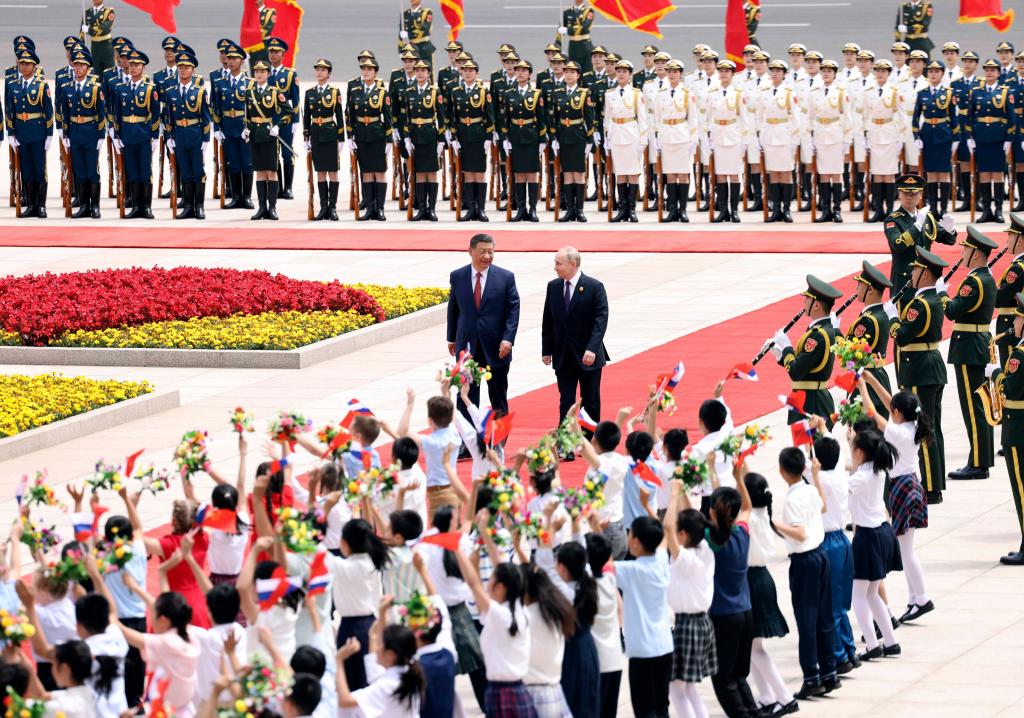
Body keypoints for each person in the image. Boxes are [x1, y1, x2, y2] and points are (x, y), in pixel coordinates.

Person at [859, 375, 935, 622]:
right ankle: (914, 599)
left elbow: (873, 413)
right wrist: (870, 379)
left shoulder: (898, 432)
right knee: (906, 548)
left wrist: (862, 387)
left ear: (898, 413)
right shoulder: (911, 424)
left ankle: (922, 597)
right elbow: (891, 402)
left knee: (907, 551)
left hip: (903, 487)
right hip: (911, 484)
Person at [772, 447, 839, 699]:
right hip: (820, 555)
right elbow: (822, 506)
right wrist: (816, 476)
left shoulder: (791, 500)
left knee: (807, 620)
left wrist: (773, 523)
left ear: (782, 472)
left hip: (805, 560)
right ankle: (829, 672)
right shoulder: (809, 488)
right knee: (824, 617)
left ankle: (811, 677)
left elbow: (799, 533)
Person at [456, 524, 537, 718]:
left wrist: (457, 549)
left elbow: (474, 584)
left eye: (491, 580)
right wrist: (485, 533)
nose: (487, 583)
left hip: (502, 692)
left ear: (501, 587)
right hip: (515, 690)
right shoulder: (518, 609)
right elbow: (500, 566)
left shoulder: (499, 615)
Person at [890, 246, 949, 505]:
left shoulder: (919, 304)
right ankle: (936, 484)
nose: (912, 273)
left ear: (925, 274)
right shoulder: (934, 299)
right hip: (932, 365)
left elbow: (902, 335)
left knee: (922, 428)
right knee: (933, 427)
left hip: (919, 368)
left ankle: (931, 487)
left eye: (915, 269)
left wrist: (892, 320)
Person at [940, 226, 998, 481]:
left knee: (973, 406)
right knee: (980, 403)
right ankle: (982, 458)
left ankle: (978, 463)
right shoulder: (986, 277)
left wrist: (941, 292)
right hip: (977, 343)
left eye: (966, 249)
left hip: (969, 346)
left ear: (975, 253)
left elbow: (952, 311)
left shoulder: (974, 282)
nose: (962, 253)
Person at [844, 429, 904, 661]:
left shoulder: (860, 478)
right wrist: (852, 442)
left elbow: (841, 491)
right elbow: (858, 469)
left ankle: (872, 644)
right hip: (882, 532)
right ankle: (890, 641)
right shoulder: (878, 471)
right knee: (872, 593)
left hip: (867, 536)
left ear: (860, 452)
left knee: (858, 595)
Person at [447, 233, 520, 418]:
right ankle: (468, 442)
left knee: (498, 396)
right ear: (470, 251)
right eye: (482, 252)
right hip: (467, 348)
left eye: (490, 252)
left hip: (497, 347)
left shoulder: (505, 277)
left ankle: (498, 443)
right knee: (466, 395)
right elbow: (454, 308)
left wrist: (508, 339)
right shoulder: (458, 276)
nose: (487, 256)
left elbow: (513, 311)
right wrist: (452, 338)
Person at [743, 473, 798, 715]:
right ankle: (766, 696)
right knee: (752, 645)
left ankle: (784, 698)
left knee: (754, 647)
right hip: (759, 578)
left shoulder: (750, 518)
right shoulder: (762, 513)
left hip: (754, 580)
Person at [664, 479, 718, 718]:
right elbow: (696, 519)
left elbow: (667, 526)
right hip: (702, 623)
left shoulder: (685, 559)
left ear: (683, 535)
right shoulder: (704, 549)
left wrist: (674, 495)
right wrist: (684, 493)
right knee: (688, 687)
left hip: (687, 625)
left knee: (675, 688)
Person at [541, 247, 610, 433]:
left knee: (590, 399)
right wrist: (546, 350)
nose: (555, 268)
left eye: (558, 264)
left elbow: (600, 321)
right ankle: (566, 440)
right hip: (563, 354)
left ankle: (590, 438)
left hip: (588, 355)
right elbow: (548, 319)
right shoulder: (553, 286)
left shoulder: (594, 286)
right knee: (566, 399)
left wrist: (592, 348)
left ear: (573, 264)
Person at [614, 515, 673, 718]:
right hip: (665, 647)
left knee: (645, 710)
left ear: (637, 542)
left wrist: (595, 527)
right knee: (662, 705)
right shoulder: (662, 562)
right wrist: (673, 498)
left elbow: (601, 563)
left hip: (643, 652)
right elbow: (666, 529)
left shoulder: (630, 570)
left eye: (630, 535)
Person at [812, 436, 860, 674]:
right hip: (843, 539)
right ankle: (849, 650)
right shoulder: (840, 472)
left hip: (827, 542)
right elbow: (837, 454)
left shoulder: (820, 480)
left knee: (829, 603)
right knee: (841, 602)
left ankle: (839, 656)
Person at [771, 275, 843, 428]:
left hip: (812, 403)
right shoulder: (821, 330)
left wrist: (787, 348)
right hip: (811, 399)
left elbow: (796, 371)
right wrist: (781, 355)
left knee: (814, 451)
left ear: (816, 305)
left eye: (807, 299)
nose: (804, 303)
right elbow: (805, 364)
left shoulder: (818, 335)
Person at [883, 173, 957, 310]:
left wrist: (950, 229)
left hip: (926, 280)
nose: (909, 197)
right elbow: (898, 244)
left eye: (914, 193)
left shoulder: (926, 217)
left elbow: (948, 240)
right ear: (899, 195)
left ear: (921, 195)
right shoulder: (893, 220)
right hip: (905, 282)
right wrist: (917, 225)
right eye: (905, 193)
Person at [987, 291, 1024, 565]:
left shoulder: (1019, 356)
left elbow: (1009, 387)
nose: (1015, 322)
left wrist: (997, 372)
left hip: (1017, 428)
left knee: (1021, 488)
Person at [162, 49, 211, 220]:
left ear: (193, 70)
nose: (183, 70)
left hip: (195, 135)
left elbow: (206, 118)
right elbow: (168, 117)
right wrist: (169, 137)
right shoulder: (171, 91)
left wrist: (205, 139)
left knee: (198, 172)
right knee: (185, 171)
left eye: (186, 67)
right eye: (180, 67)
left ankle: (199, 206)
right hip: (180, 136)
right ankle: (188, 206)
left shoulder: (199, 92)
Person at [112, 47, 159, 220]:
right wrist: (117, 135)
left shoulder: (150, 88)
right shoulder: (121, 88)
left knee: (145, 171)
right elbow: (116, 113)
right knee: (132, 171)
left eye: (136, 65)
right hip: (127, 134)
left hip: (143, 133)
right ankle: (136, 206)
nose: (133, 67)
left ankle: (146, 207)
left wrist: (154, 137)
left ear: (143, 68)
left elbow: (155, 115)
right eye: (131, 64)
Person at [7, 46, 53, 219]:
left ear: (34, 66)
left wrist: (49, 134)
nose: (24, 66)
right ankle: (31, 204)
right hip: (22, 133)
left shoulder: (41, 85)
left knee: (39, 170)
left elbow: (48, 111)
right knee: (26, 170)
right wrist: (11, 133)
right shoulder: (13, 86)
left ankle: (41, 205)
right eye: (22, 63)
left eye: (28, 64)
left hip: (38, 132)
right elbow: (10, 111)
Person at [61, 46, 106, 219]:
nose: (78, 68)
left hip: (90, 132)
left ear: (88, 68)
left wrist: (101, 136)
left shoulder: (95, 88)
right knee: (79, 171)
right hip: (75, 132)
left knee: (92, 171)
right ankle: (84, 205)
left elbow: (101, 113)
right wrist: (65, 134)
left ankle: (95, 206)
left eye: (82, 65)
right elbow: (64, 112)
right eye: (76, 65)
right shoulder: (67, 88)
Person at [807, 59, 853, 223]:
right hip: (820, 135)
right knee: (824, 175)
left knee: (836, 174)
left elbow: (848, 117)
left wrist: (847, 139)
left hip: (836, 135)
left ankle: (837, 210)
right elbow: (809, 117)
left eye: (829, 71)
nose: (826, 74)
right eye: (824, 71)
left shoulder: (841, 92)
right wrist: (810, 139)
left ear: (834, 74)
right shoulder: (814, 92)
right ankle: (825, 210)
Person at [448, 59, 494, 222]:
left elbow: (489, 116)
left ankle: (480, 209)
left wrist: (489, 137)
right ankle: (470, 207)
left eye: (471, 70)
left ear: (476, 73)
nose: (467, 73)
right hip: (463, 135)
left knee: (479, 173)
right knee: (467, 173)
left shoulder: (483, 92)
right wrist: (453, 137)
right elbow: (453, 115)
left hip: (478, 135)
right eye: (465, 70)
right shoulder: (456, 92)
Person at [346, 57, 392, 221]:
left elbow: (387, 117)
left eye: (369, 69)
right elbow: (349, 114)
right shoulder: (355, 91)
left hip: (377, 135)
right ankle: (370, 208)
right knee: (366, 172)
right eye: (364, 69)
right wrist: (350, 136)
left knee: (379, 172)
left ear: (375, 72)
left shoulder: (381, 93)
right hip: (361, 135)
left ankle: (379, 208)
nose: (366, 72)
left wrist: (389, 140)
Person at [848, 261, 896, 419]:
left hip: (867, 381)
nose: (857, 288)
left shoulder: (867, 320)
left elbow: (850, 353)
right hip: (879, 377)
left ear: (869, 289)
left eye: (860, 284)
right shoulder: (881, 314)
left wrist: (834, 331)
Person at [969, 59, 1014, 223]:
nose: (989, 72)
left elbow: (1011, 117)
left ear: (998, 73)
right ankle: (986, 210)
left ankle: (999, 210)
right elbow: (970, 116)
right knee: (984, 174)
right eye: (987, 70)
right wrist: (970, 137)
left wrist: (1009, 139)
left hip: (998, 138)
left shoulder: (1004, 92)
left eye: (993, 70)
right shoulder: (976, 92)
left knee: (998, 174)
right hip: (981, 138)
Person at [501, 58, 547, 222]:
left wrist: (542, 139)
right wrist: (505, 137)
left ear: (529, 74)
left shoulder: (536, 94)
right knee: (519, 174)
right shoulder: (509, 93)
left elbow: (541, 117)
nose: (520, 73)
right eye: (518, 70)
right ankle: (521, 208)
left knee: (532, 174)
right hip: (515, 136)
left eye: (523, 70)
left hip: (531, 136)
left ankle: (533, 208)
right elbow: (505, 117)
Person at [756, 59, 801, 223]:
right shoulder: (764, 91)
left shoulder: (789, 92)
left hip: (784, 136)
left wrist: (795, 141)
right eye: (772, 71)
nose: (775, 74)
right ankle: (776, 209)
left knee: (786, 173)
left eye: (778, 71)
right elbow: (759, 116)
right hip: (769, 135)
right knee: (773, 173)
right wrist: (760, 137)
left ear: (784, 74)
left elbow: (796, 118)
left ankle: (787, 210)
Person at [550, 61, 595, 223]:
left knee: (579, 174)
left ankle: (580, 210)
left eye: (572, 72)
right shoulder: (558, 93)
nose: (568, 75)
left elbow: (590, 118)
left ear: (578, 75)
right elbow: (554, 117)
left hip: (578, 136)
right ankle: (569, 210)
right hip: (563, 136)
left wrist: (589, 139)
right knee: (567, 174)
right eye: (566, 71)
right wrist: (554, 137)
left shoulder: (584, 93)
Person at [913, 60, 959, 216]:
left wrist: (956, 137)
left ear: (942, 74)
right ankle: (933, 207)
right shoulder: (922, 93)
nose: (933, 74)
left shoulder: (948, 93)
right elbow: (915, 116)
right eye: (931, 71)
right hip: (927, 135)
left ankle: (944, 208)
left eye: (936, 71)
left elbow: (954, 117)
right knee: (931, 172)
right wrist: (916, 136)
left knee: (944, 172)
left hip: (944, 134)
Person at [705, 60, 749, 223]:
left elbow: (744, 119)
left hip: (733, 135)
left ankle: (734, 210)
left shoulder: (738, 93)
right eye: (721, 71)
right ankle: (723, 210)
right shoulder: (712, 93)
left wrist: (744, 140)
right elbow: (708, 117)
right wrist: (709, 138)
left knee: (734, 174)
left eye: (727, 71)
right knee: (721, 175)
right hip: (718, 135)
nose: (723, 74)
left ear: (732, 74)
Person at [403, 59, 446, 221]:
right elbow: (405, 117)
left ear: (428, 73)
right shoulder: (409, 92)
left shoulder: (435, 92)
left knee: (432, 174)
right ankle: (421, 208)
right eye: (418, 70)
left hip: (430, 137)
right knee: (419, 174)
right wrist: (406, 137)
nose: (420, 73)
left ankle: (432, 208)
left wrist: (441, 140)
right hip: (415, 137)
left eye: (423, 70)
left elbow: (441, 117)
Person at [654, 59, 697, 222]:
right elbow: (657, 117)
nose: (672, 74)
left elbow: (692, 118)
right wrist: (658, 135)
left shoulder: (687, 94)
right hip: (666, 135)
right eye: (669, 71)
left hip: (682, 135)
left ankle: (683, 210)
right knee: (670, 174)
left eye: (675, 72)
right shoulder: (661, 94)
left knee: (683, 173)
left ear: (680, 74)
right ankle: (672, 210)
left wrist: (693, 138)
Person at [212, 43, 253, 211]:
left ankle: (247, 197)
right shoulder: (220, 83)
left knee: (247, 163)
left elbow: (253, 108)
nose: (231, 61)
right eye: (229, 58)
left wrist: (250, 127)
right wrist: (216, 128)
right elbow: (215, 107)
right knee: (233, 163)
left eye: (235, 58)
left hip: (244, 127)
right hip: (228, 126)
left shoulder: (249, 83)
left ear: (242, 61)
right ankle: (236, 197)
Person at [302, 58, 344, 221]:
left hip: (330, 133)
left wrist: (341, 138)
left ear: (329, 74)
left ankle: (332, 207)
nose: (319, 72)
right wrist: (306, 137)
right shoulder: (309, 92)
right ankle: (323, 207)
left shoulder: (334, 92)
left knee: (332, 172)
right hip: (316, 134)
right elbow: (307, 116)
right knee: (320, 172)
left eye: (323, 70)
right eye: (318, 69)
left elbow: (339, 116)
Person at [604, 59, 646, 222]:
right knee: (620, 173)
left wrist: (643, 140)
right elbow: (607, 118)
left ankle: (632, 209)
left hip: (631, 134)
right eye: (619, 71)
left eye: (624, 72)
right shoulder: (610, 94)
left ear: (629, 75)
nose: (621, 74)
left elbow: (642, 118)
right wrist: (607, 136)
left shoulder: (636, 93)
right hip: (616, 134)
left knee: (633, 173)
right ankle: (622, 209)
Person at [266, 38, 300, 200]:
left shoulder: (290, 74)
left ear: (283, 54)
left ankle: (288, 187)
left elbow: (295, 99)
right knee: (272, 153)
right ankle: (277, 187)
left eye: (276, 52)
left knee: (287, 152)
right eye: (271, 52)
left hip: (285, 120)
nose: (273, 55)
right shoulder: (263, 72)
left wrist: (296, 120)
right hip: (268, 120)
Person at [995, 214, 1024, 368]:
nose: (1007, 241)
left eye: (1010, 236)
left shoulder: (1017, 268)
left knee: (1010, 380)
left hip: (1011, 326)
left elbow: (999, 300)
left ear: (1019, 240)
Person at [559, 0, 595, 72]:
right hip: (573, 46)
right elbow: (560, 31)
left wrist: (568, 30)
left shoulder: (588, 11)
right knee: (573, 69)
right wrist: (559, 48)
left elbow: (584, 27)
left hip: (585, 46)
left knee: (587, 71)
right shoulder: (567, 12)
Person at [401, 0, 435, 70]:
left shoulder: (426, 12)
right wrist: (401, 49)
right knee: (411, 71)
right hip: (411, 47)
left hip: (424, 47)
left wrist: (408, 34)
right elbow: (401, 33)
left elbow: (425, 29)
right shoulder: (405, 13)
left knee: (427, 70)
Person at [83, 0, 115, 75]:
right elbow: (82, 33)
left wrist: (89, 30)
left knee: (109, 72)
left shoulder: (108, 12)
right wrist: (83, 48)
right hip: (94, 46)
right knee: (96, 72)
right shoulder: (87, 12)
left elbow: (104, 27)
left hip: (106, 46)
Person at [248, 0, 276, 70]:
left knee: (265, 69)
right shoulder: (250, 12)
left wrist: (251, 32)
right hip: (252, 47)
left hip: (264, 46)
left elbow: (267, 29)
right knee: (253, 71)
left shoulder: (269, 12)